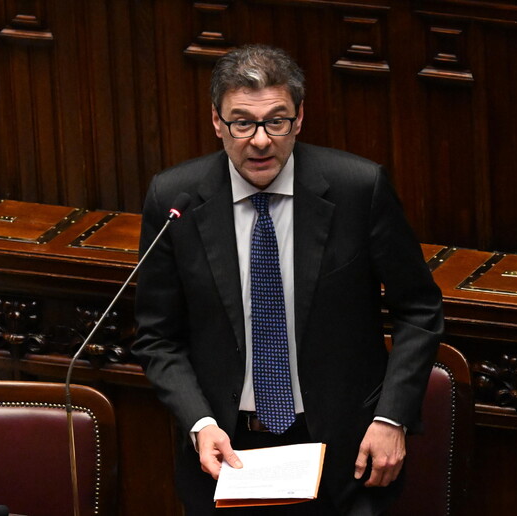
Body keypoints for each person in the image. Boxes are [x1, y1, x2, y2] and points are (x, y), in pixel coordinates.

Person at [132, 44, 444, 515]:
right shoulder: (174, 198)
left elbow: (418, 309)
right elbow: (157, 337)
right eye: (242, 123)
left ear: (299, 120)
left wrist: (392, 417)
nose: (260, 140)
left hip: (346, 455)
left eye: (276, 121)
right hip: (226, 453)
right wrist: (199, 423)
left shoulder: (359, 188)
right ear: (217, 122)